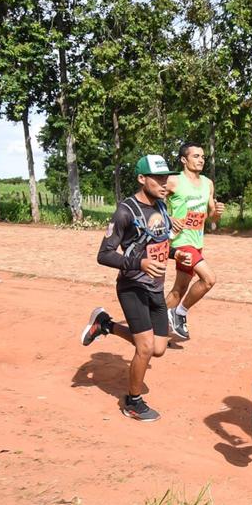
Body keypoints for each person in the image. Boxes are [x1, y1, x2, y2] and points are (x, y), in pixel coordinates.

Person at [80, 154, 178, 422]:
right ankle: (133, 403)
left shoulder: (161, 206)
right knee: (144, 348)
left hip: (155, 287)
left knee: (158, 348)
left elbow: (157, 245)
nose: (163, 183)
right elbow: (105, 254)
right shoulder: (126, 211)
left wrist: (176, 254)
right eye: (157, 178)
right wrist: (140, 264)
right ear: (141, 178)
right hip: (132, 285)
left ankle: (106, 325)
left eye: (165, 177)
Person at [164, 142, 224, 341]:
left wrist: (217, 212)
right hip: (180, 242)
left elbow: (211, 217)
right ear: (184, 159)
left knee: (178, 290)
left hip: (197, 242)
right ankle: (179, 313)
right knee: (209, 279)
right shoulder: (173, 181)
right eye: (196, 156)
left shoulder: (208, 183)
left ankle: (158, 329)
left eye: (203, 157)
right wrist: (169, 219)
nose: (201, 160)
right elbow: (150, 200)